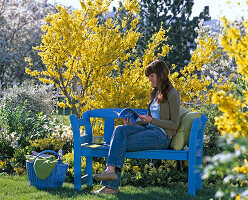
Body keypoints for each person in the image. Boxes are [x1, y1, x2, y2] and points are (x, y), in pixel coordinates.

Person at [91, 59, 180, 194]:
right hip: (148, 129)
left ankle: (110, 186)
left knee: (120, 143)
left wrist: (152, 120)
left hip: (161, 137)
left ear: (160, 74)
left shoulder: (172, 94)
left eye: (152, 76)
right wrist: (134, 122)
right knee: (120, 130)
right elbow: (147, 121)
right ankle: (110, 173)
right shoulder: (155, 93)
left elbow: (174, 124)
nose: (149, 80)